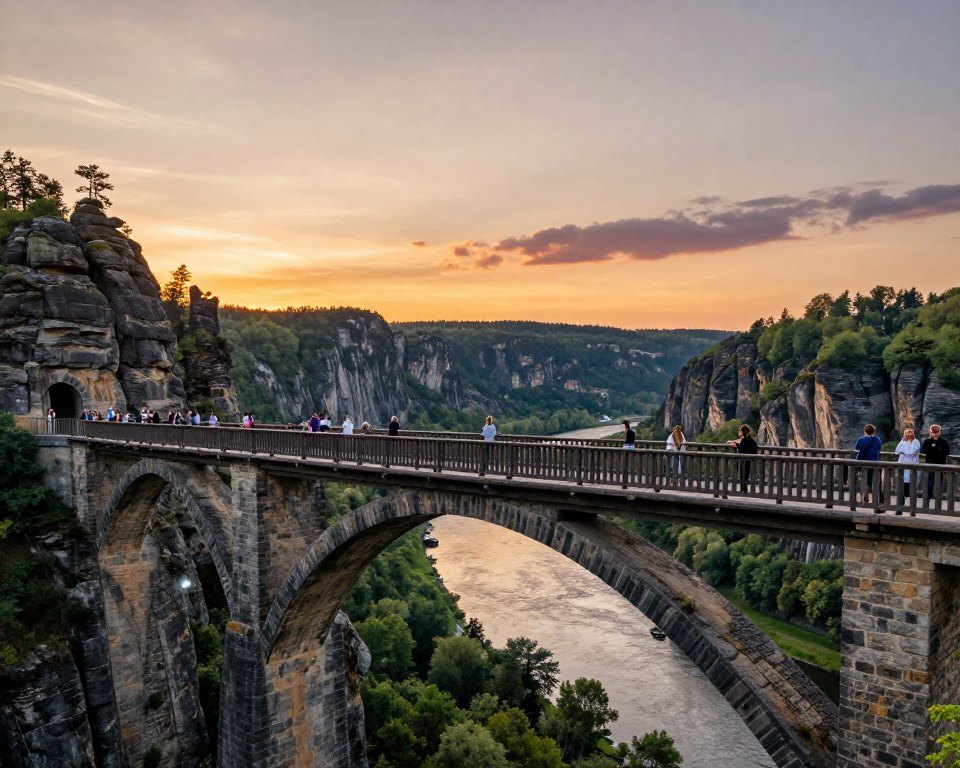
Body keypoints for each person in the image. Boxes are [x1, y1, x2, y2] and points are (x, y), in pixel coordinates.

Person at [854, 423, 883, 505]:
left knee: (863, 479)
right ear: (874, 431)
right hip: (875, 463)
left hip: (863, 462)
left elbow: (856, 448)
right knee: (874, 480)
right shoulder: (877, 439)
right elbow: (879, 448)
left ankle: (865, 496)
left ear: (865, 431)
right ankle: (876, 499)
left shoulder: (861, 439)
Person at [920, 424, 950, 501]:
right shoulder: (927, 441)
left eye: (937, 431)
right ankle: (929, 497)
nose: (935, 433)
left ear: (940, 432)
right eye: (934, 431)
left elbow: (947, 453)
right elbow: (922, 451)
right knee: (930, 482)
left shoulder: (944, 442)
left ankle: (937, 498)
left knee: (939, 483)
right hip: (929, 465)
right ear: (931, 432)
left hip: (940, 466)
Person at [895, 426, 921, 513]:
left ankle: (912, 510)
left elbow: (911, 452)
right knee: (901, 490)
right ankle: (899, 509)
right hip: (903, 469)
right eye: (907, 433)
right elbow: (897, 451)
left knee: (912, 490)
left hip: (912, 470)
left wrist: (909, 442)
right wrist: (905, 442)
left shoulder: (916, 442)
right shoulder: (902, 442)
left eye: (910, 433)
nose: (909, 435)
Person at [727, 424, 758, 493]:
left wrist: (734, 445)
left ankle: (743, 489)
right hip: (748, 459)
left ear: (742, 431)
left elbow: (741, 446)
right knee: (745, 474)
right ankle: (744, 489)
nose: (739, 432)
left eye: (740, 431)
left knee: (743, 474)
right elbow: (739, 441)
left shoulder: (745, 439)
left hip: (743, 459)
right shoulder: (748, 439)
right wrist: (733, 442)